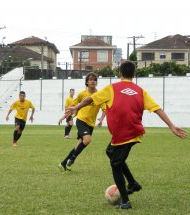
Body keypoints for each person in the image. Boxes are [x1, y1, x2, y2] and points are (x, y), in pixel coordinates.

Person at [66, 61, 187, 209]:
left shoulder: (112, 88)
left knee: (115, 163)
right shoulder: (141, 91)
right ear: (134, 74)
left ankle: (125, 201)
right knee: (110, 152)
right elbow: (157, 109)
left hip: (125, 134)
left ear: (120, 74)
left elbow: (90, 99)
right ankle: (133, 183)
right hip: (131, 132)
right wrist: (171, 126)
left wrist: (77, 106)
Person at [58, 72, 106, 171]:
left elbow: (104, 109)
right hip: (81, 120)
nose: (93, 81)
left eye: (94, 79)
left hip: (91, 123)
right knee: (87, 140)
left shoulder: (99, 95)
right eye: (90, 79)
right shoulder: (82, 94)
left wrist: (101, 119)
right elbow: (72, 107)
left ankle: (63, 163)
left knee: (78, 145)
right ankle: (71, 160)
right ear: (87, 82)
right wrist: (64, 117)